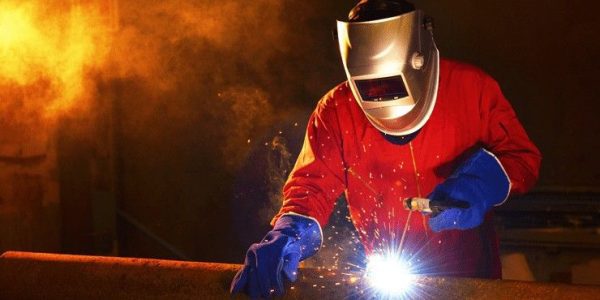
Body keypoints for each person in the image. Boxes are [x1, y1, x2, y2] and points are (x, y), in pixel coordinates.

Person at [230, 0, 541, 298]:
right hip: (386, 284)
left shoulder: (472, 90)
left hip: (472, 283)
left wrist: (483, 183)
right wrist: (290, 231)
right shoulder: (337, 110)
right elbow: (312, 187)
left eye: (392, 85)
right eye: (371, 88)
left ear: (417, 61)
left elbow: (522, 159)